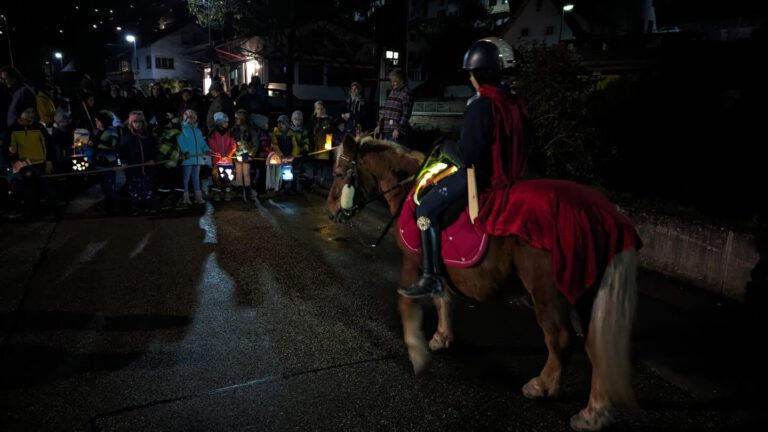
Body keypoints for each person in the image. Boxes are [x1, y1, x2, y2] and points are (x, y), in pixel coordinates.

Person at [398, 37, 528, 299]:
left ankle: (431, 277)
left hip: (480, 178)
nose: (470, 80)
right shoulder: (514, 102)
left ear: (479, 74)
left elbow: (468, 156)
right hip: (513, 175)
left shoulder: (481, 104)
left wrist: (447, 147)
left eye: (471, 75)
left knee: (425, 209)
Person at [177, 109, 209, 205]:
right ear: (185, 118)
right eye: (190, 117)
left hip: (197, 158)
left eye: (194, 118)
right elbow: (180, 141)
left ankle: (198, 197)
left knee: (196, 178)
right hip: (188, 158)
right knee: (186, 179)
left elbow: (202, 143)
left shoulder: (198, 131)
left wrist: (206, 149)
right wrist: (185, 151)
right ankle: (185, 198)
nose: (192, 119)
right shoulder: (182, 130)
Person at [374, 68, 412, 146]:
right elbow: (386, 112)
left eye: (395, 81)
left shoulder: (406, 94)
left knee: (396, 155)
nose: (392, 83)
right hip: (387, 130)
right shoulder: (392, 92)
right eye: (392, 81)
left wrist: (398, 129)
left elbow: (406, 114)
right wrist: (380, 125)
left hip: (396, 133)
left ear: (401, 80)